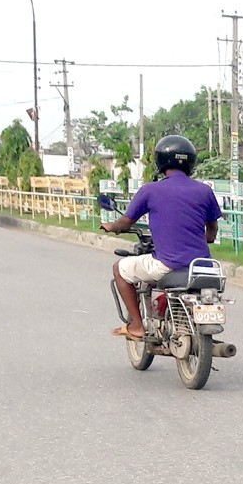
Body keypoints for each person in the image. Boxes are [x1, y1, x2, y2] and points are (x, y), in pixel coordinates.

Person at [99, 134, 223, 341]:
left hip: (167, 264)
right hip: (203, 266)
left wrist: (112, 226)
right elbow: (212, 230)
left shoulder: (150, 190)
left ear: (160, 161)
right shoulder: (204, 191)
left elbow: (126, 222)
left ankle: (137, 326)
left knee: (119, 269)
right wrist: (206, 238)